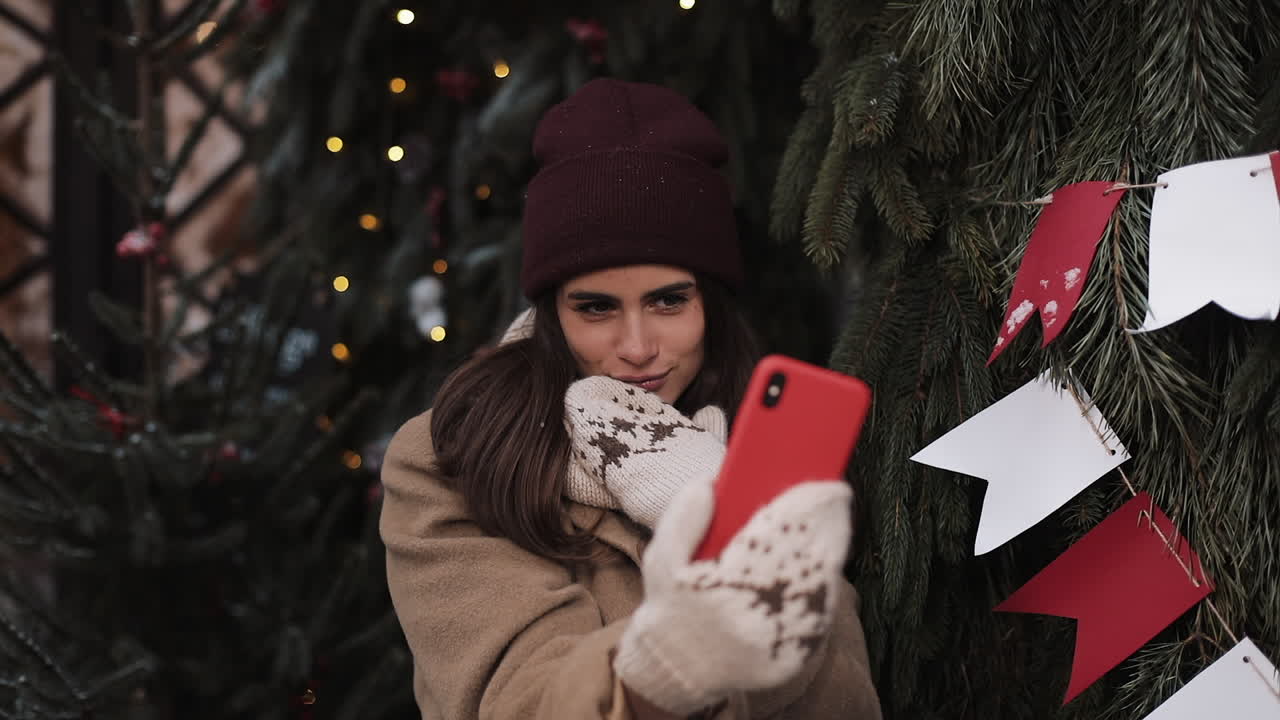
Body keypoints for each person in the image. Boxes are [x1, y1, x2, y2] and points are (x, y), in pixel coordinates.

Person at [380, 77, 882, 719]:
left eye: (669, 301)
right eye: (595, 308)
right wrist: (667, 666)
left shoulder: (760, 447)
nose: (638, 346)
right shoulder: (453, 454)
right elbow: (513, 701)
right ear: (553, 314)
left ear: (711, 305)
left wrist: (770, 635)